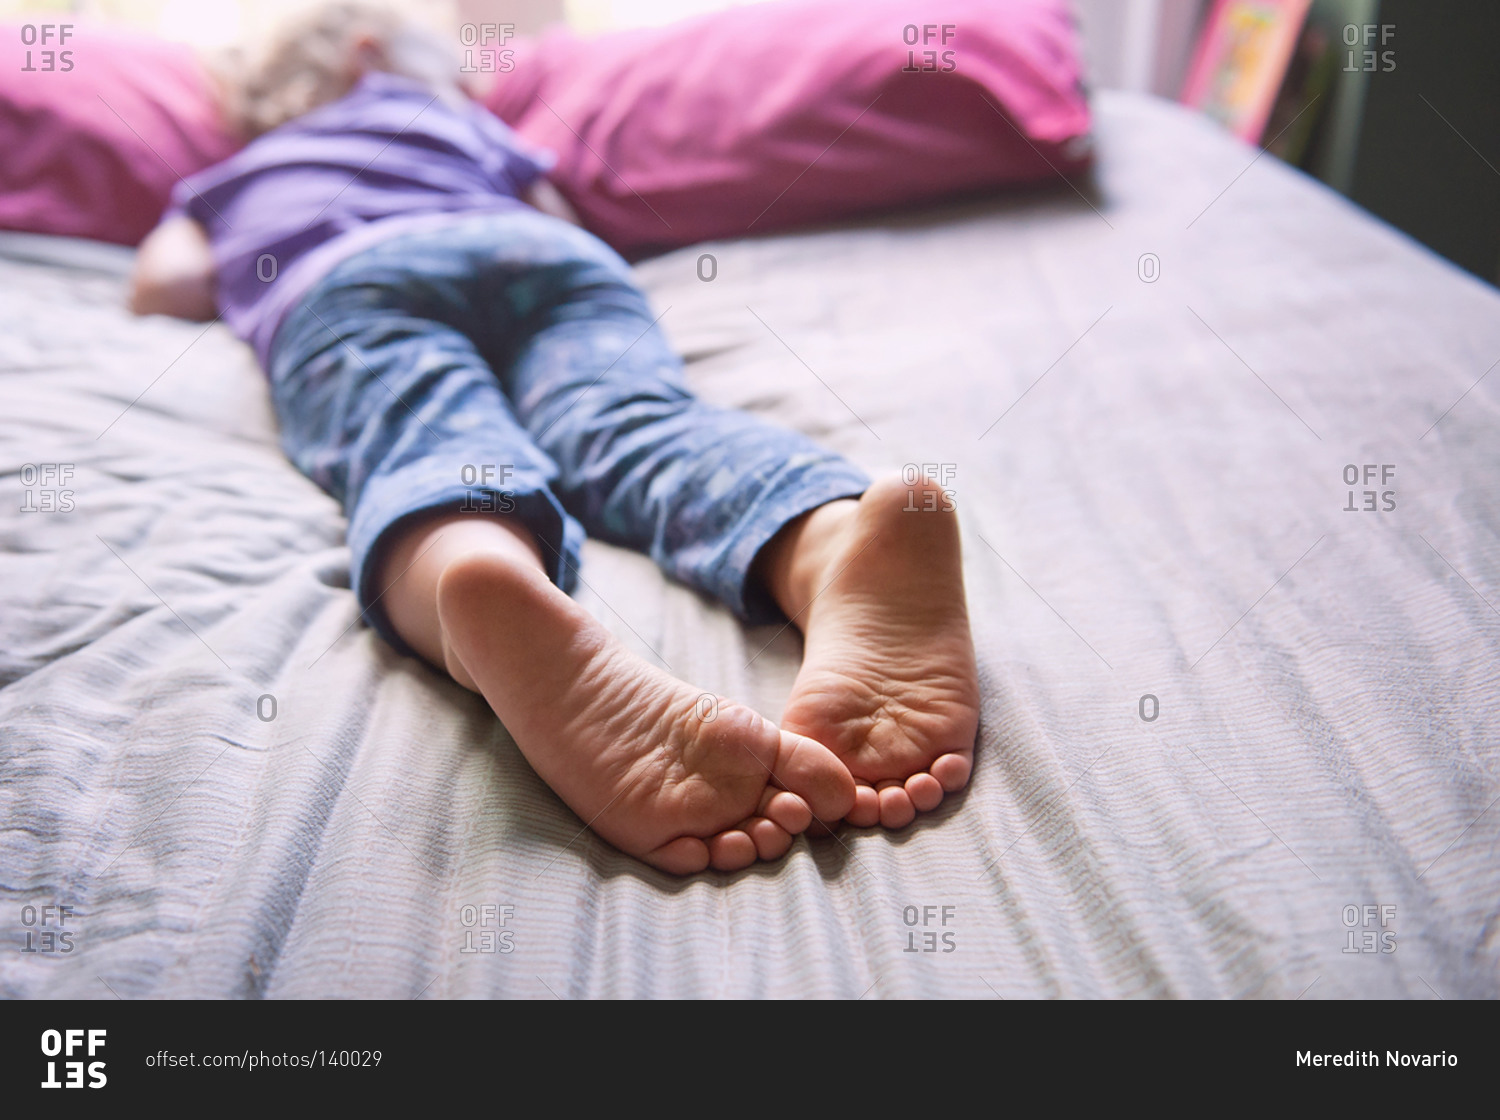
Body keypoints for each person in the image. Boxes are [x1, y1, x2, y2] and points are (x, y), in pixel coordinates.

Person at [129, 2, 979, 874]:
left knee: (428, 442)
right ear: (369, 50)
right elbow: (563, 215)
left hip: (351, 285)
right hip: (543, 261)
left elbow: (165, 283)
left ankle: (473, 567)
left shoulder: (238, 172)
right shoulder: (463, 127)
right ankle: (828, 540)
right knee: (634, 425)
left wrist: (244, 260)